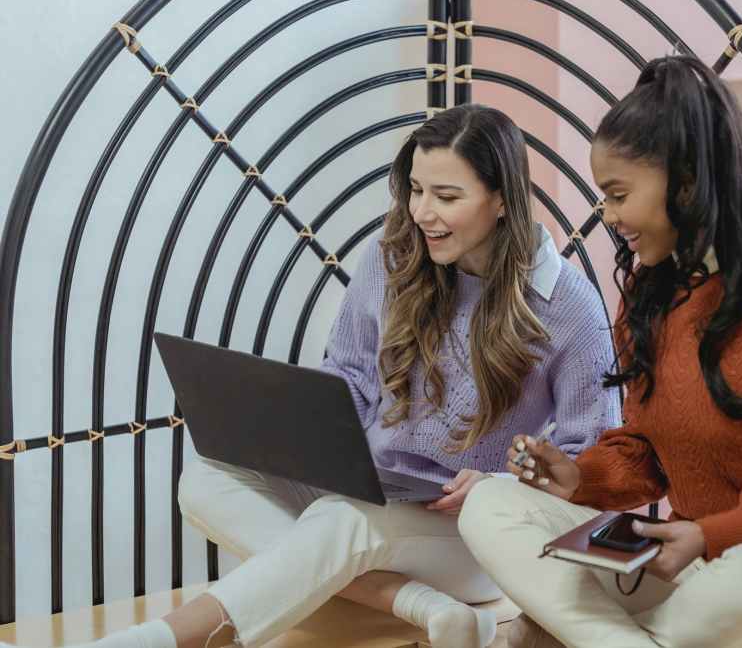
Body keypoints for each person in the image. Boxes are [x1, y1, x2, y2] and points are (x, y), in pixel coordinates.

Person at [27, 104, 619, 648]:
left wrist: (498, 483)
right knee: (206, 478)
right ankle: (426, 608)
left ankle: (159, 640)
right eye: (415, 190)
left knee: (343, 523)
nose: (422, 213)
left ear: (502, 201)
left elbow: (587, 461)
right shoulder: (394, 259)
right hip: (374, 494)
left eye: (446, 195)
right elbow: (350, 377)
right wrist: (307, 436)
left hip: (472, 535)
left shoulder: (567, 308)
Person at [459, 56, 742, 648]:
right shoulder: (651, 294)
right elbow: (648, 453)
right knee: (489, 503)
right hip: (682, 564)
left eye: (617, 194)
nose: (608, 217)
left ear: (684, 182)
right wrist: (578, 475)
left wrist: (712, 535)